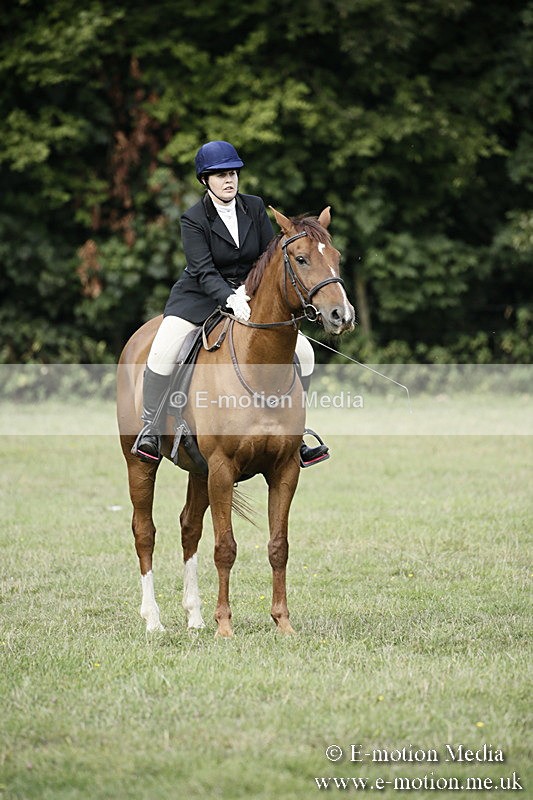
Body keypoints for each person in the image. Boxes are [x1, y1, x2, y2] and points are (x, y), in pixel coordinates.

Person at [133, 140, 329, 467]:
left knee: (305, 352)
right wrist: (229, 297)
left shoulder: (254, 206)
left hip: (251, 296)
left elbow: (268, 257)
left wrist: (254, 293)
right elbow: (202, 270)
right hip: (199, 297)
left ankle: (296, 432)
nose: (229, 180)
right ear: (205, 180)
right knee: (162, 351)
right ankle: (150, 430)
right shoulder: (193, 218)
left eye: (233, 173)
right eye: (220, 175)